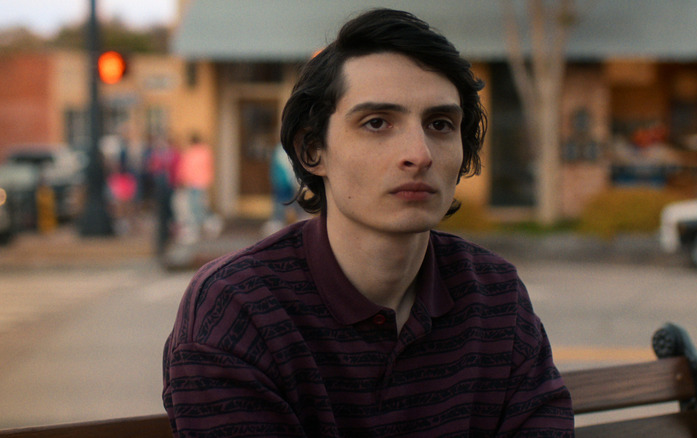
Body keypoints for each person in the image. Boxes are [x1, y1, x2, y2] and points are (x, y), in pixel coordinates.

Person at [163, 8, 573, 437]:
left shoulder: (495, 294)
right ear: (311, 151)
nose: (419, 153)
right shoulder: (237, 309)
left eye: (440, 124)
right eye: (377, 123)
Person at [176, 133, 215, 243]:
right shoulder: (202, 151)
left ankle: (204, 225)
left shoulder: (195, 152)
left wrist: (182, 178)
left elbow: (187, 167)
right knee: (195, 205)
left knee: (197, 205)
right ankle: (204, 224)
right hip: (196, 182)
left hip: (197, 182)